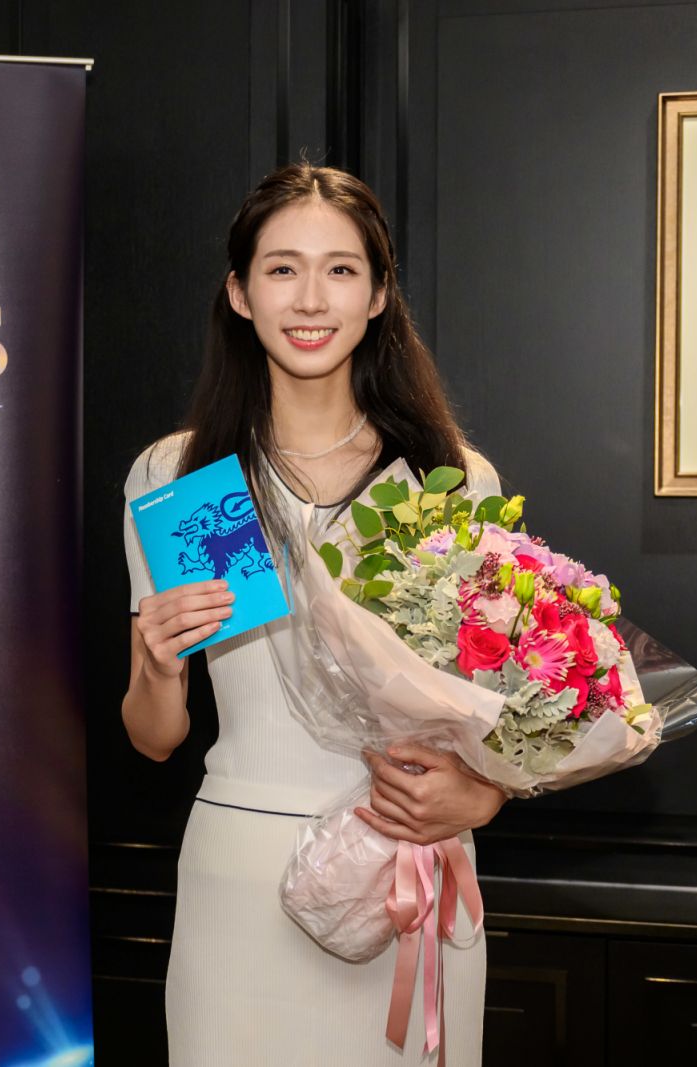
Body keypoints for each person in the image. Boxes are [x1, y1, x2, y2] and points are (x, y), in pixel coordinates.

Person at [121, 163, 507, 1065]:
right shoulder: (184, 479)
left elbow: (505, 709)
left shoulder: (451, 479)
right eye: (281, 267)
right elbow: (154, 737)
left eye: (340, 270)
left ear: (378, 295)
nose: (310, 297)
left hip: (409, 861)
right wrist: (156, 664)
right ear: (239, 292)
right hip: (239, 875)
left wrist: (483, 792)